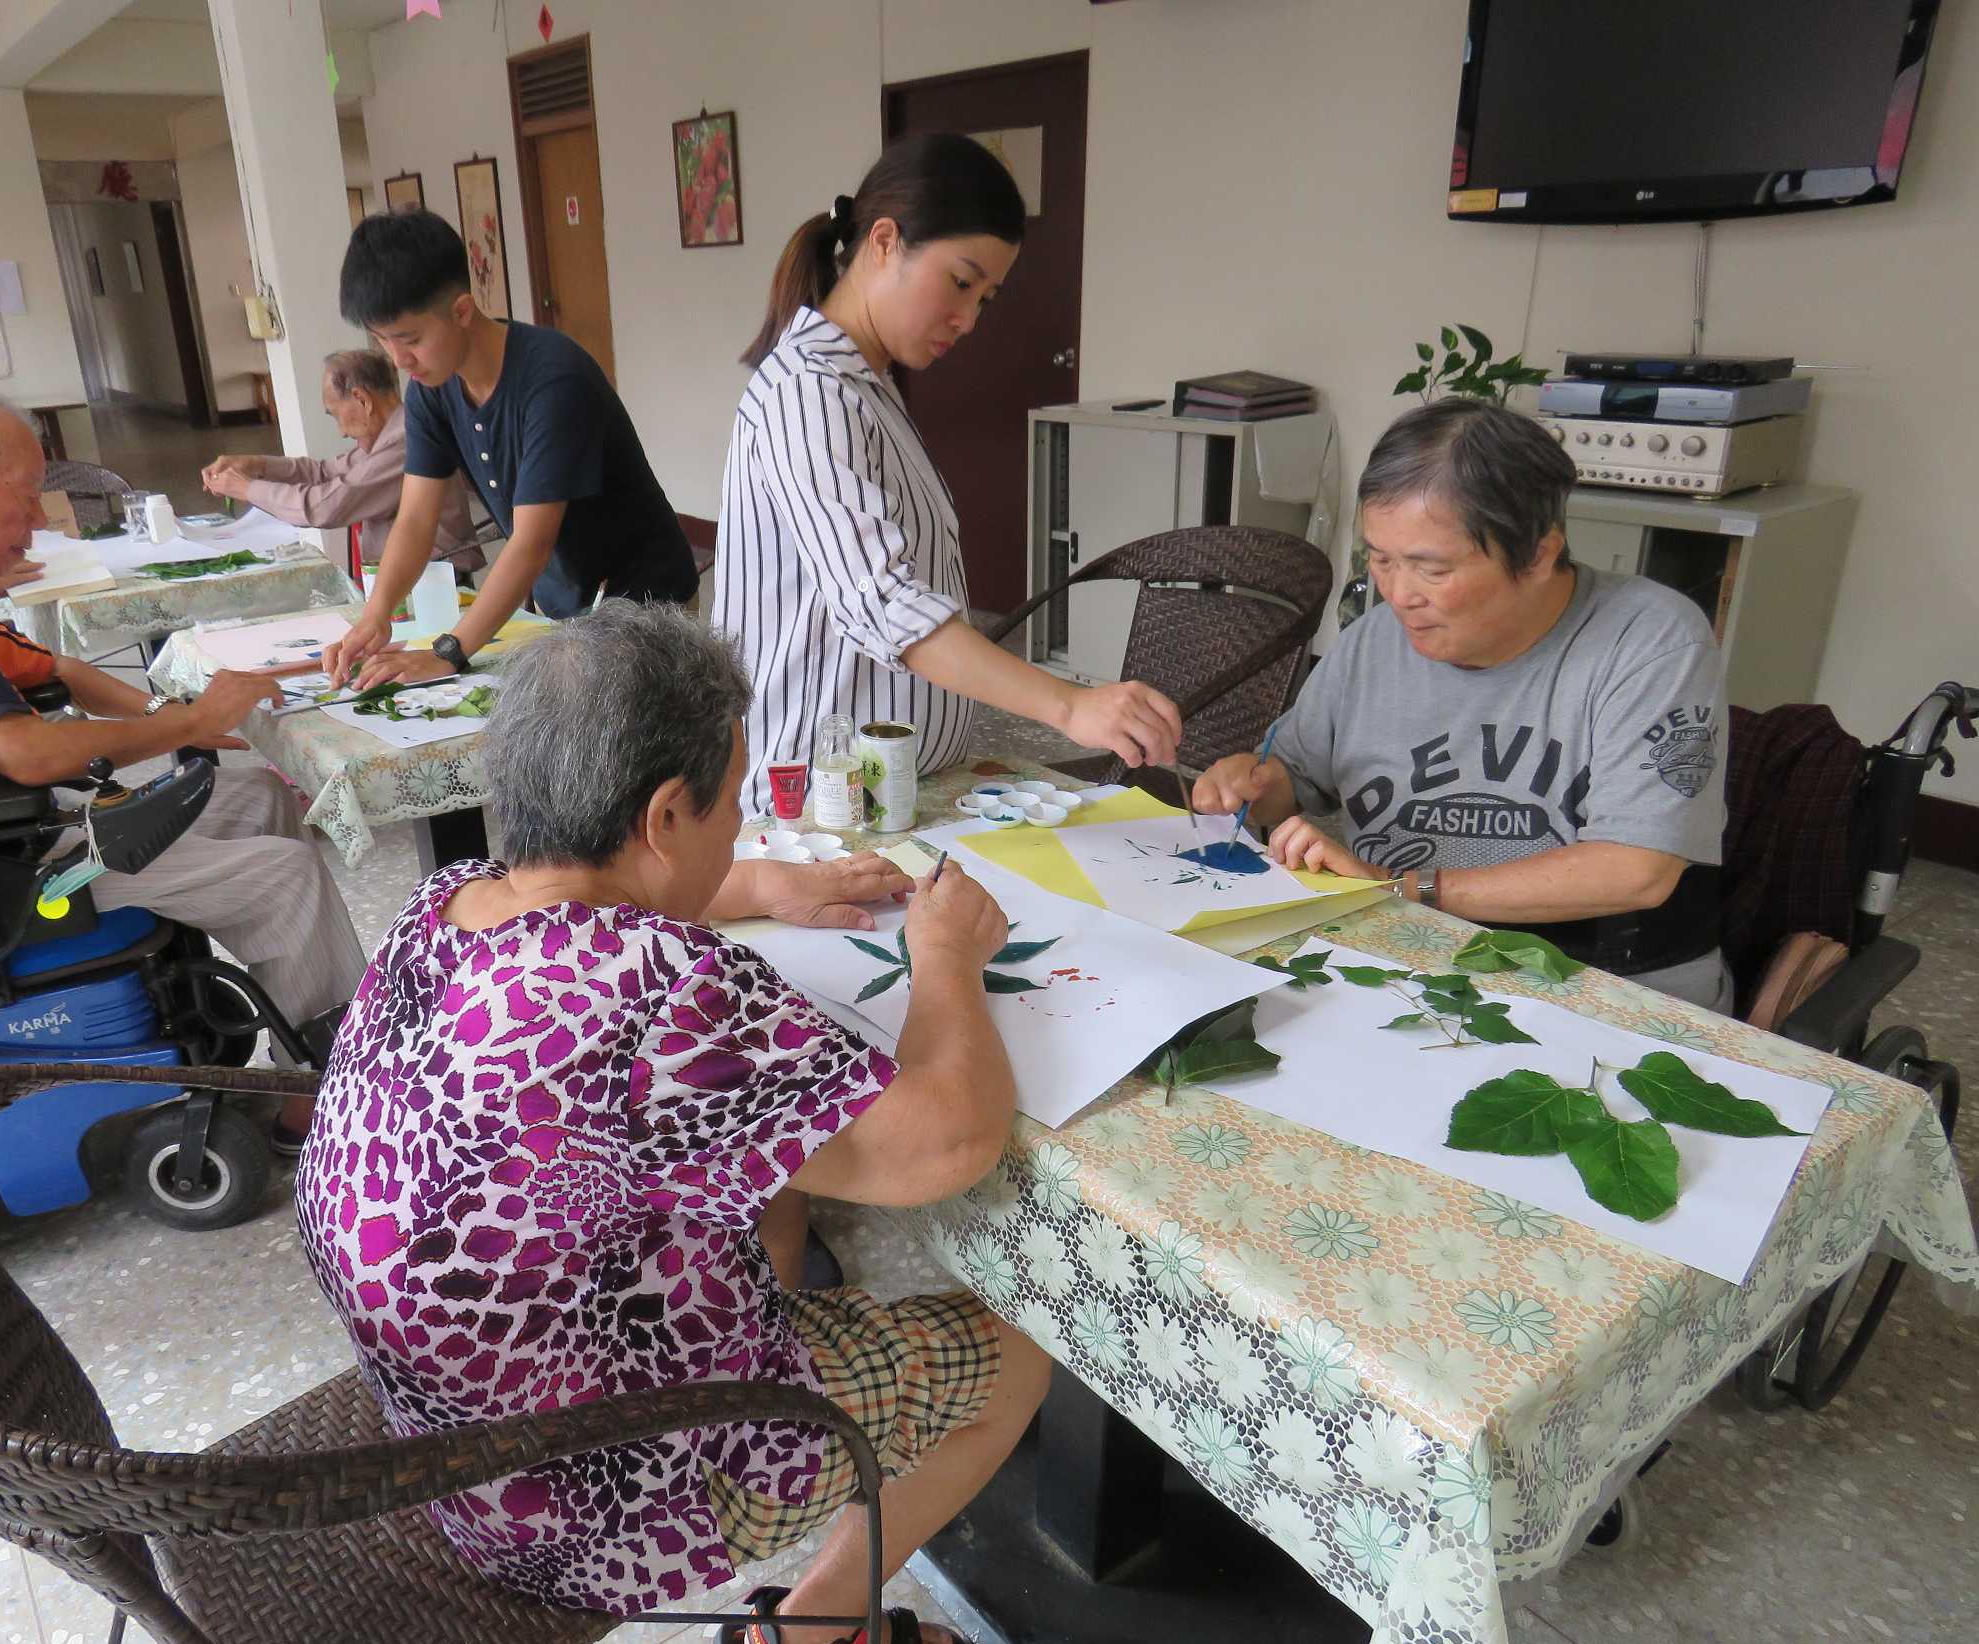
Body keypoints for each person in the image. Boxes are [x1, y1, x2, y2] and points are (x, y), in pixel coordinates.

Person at [297, 603, 1050, 1644]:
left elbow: (593, 899)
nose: (739, 829)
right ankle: (812, 1633)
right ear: (662, 814)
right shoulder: (660, 989)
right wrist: (946, 958)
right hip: (597, 1494)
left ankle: (789, 1382)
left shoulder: (437, 909)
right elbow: (949, 1141)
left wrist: (757, 885)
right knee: (1024, 1351)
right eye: (733, 806)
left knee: (774, 1183)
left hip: (452, 1432)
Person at [0, 386, 367, 1131]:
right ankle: (318, 1105)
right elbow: (19, 750)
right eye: (23, 496)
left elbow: (60, 671)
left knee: (259, 799)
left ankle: (295, 1025)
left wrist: (177, 723)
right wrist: (189, 718)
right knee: (286, 879)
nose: (38, 521)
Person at [1193, 397, 1730, 1008]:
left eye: (1430, 569)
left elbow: (1638, 870)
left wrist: (1404, 888)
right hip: (1399, 957)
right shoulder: (1374, 639)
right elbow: (1297, 776)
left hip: (1597, 981)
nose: (1398, 595)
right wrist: (1254, 785)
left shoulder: (1651, 641)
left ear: (1537, 555)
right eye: (1382, 559)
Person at [716, 134, 1182, 819]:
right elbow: (884, 602)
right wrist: (1069, 704)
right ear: (883, 241)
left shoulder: (864, 385)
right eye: (960, 282)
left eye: (986, 299)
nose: (966, 320)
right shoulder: (808, 393)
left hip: (894, 793)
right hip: (819, 813)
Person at [318, 211, 696, 691]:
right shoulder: (431, 386)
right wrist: (375, 616)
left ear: (461, 311)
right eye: (382, 341)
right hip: (572, 606)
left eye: (410, 340)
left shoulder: (552, 379)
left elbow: (531, 542)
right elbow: (416, 517)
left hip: (648, 605)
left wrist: (448, 653)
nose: (398, 360)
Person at [196, 348, 484, 575]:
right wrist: (255, 464)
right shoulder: (389, 436)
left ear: (362, 399)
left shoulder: (405, 443)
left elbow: (324, 506)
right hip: (412, 580)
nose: (340, 430)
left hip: (435, 583)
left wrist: (246, 489)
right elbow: (322, 472)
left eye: (335, 414)